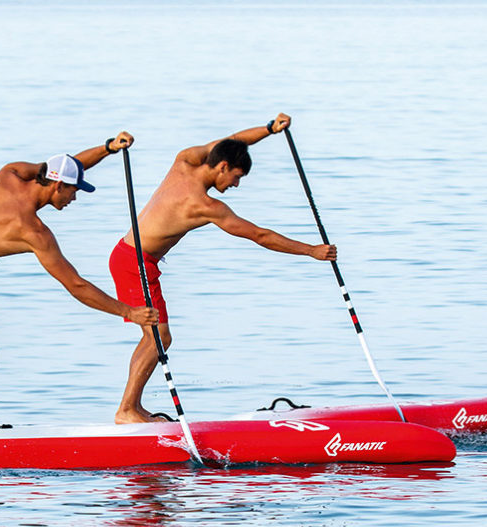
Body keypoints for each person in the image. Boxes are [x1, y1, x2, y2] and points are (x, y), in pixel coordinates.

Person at [0, 133, 159, 439]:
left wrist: (108, 149)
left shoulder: (10, 174)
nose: (74, 198)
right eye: (74, 191)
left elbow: (66, 166)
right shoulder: (33, 231)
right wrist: (129, 312)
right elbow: (76, 284)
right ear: (57, 186)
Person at [109, 113, 338, 424]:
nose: (236, 185)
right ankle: (126, 410)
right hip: (134, 263)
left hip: (131, 257)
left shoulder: (185, 161)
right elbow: (260, 235)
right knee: (158, 336)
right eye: (236, 177)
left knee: (156, 335)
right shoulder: (204, 205)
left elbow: (233, 141)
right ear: (222, 167)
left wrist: (270, 130)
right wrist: (311, 250)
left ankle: (131, 408)